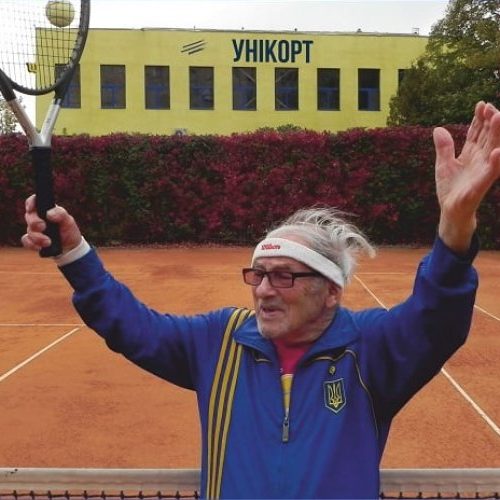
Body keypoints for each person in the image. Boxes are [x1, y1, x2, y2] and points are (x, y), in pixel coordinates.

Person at [22, 101, 500, 499]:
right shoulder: (219, 341)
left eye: (285, 276)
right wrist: (74, 253)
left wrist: (455, 223)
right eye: (259, 274)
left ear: (330, 291)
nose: (265, 290)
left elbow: (437, 317)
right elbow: (132, 326)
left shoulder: (370, 348)